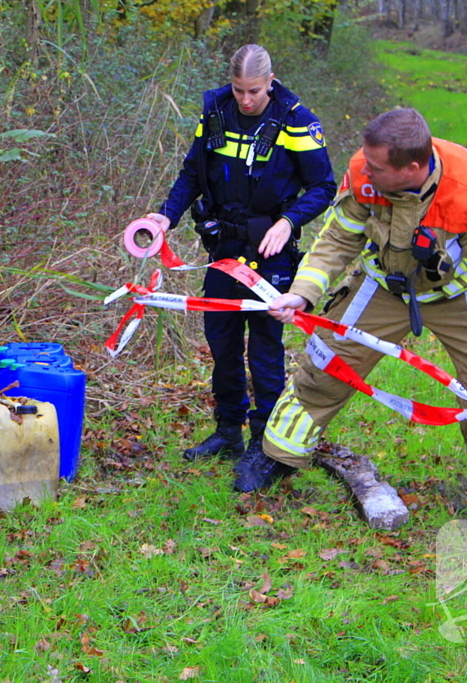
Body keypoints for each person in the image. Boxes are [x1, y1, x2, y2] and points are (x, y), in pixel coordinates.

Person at [235, 107, 467, 524]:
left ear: (411, 167)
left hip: (457, 293)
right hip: (383, 284)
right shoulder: (362, 170)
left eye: (375, 166)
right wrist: (302, 292)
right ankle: (278, 455)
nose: (363, 170)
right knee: (324, 364)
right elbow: (337, 237)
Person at [141, 44, 336, 464]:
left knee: (265, 351)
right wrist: (164, 218)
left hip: (271, 256)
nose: (246, 100)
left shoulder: (297, 121)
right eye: (238, 90)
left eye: (254, 91)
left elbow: (324, 187)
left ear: (270, 81)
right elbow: (192, 172)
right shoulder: (215, 113)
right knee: (222, 345)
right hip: (223, 253)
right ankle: (228, 431)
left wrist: (288, 223)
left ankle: (264, 446)